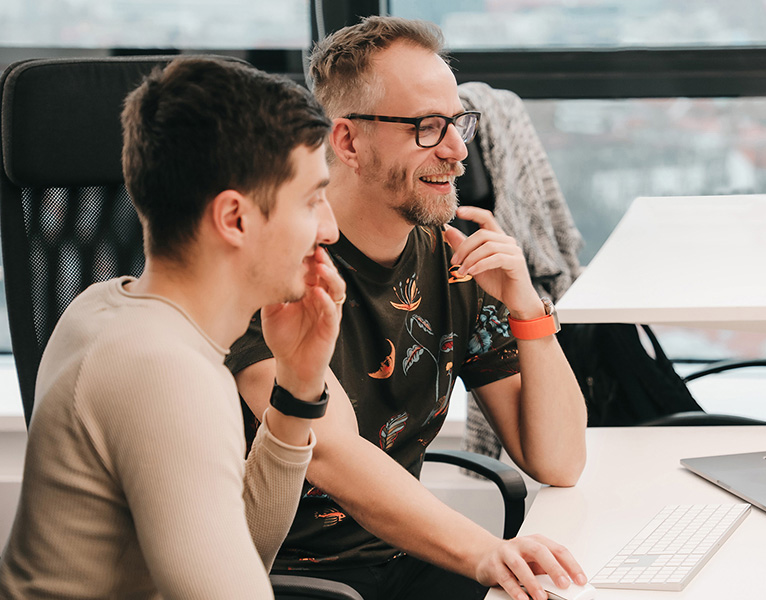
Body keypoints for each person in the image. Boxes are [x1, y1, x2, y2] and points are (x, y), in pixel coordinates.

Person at [228, 15, 589, 600]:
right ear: (347, 142)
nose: (458, 150)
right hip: (287, 581)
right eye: (427, 127)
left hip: (408, 557)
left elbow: (560, 460)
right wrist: (484, 552)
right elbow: (334, 454)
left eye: (457, 123)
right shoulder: (274, 270)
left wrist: (528, 310)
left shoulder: (454, 261)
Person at [0, 56, 345, 598]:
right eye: (312, 199)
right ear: (235, 219)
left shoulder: (103, 307)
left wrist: (298, 389)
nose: (330, 228)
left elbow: (230, 557)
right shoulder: (164, 372)